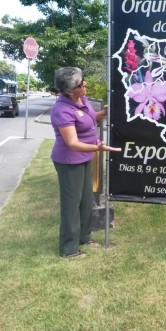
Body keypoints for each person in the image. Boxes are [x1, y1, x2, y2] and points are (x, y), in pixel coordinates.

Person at [51, 67, 121, 258]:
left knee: (86, 201)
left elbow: (90, 119)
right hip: (69, 162)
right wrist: (98, 149)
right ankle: (69, 249)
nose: (85, 84)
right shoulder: (62, 110)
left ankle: (84, 237)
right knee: (71, 205)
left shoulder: (82, 99)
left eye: (83, 80)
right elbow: (73, 143)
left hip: (84, 158)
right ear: (69, 91)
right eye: (81, 84)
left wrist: (104, 113)